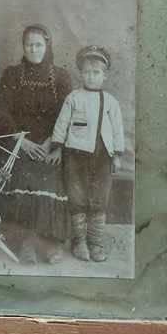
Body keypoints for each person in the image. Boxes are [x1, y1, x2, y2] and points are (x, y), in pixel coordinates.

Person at [0, 24, 73, 264]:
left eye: (39, 45)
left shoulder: (61, 76)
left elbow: (65, 115)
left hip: (50, 142)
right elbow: (2, 112)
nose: (34, 49)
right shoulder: (12, 74)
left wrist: (53, 144)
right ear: (23, 47)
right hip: (20, 142)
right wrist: (21, 141)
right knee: (23, 175)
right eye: (29, 45)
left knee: (50, 176)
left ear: (47, 46)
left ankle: (48, 244)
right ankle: (26, 241)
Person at [47, 46, 125, 262]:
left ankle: (96, 242)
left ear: (104, 75)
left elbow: (118, 129)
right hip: (75, 156)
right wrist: (57, 147)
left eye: (96, 72)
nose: (91, 77)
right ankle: (79, 241)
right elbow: (62, 123)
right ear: (80, 73)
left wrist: (117, 155)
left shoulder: (110, 101)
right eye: (87, 72)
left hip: (102, 157)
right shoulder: (73, 97)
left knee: (99, 198)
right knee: (77, 195)